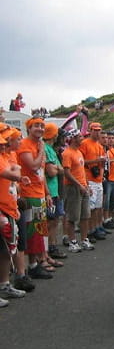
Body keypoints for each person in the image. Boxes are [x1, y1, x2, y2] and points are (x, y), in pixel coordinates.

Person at [16, 117, 54, 279]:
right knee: (31, 231)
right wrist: (40, 152)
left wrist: (46, 193)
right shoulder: (25, 145)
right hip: (28, 194)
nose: (40, 128)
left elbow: (42, 173)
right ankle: (30, 266)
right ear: (29, 129)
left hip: (39, 194)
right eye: (36, 126)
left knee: (39, 231)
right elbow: (33, 166)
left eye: (42, 126)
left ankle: (35, 263)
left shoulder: (39, 145)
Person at [0, 132, 28, 304]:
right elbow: (12, 174)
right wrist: (16, 173)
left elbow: (14, 171)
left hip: (9, 208)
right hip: (2, 209)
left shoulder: (6, 156)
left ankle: (4, 285)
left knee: (5, 250)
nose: (3, 146)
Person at [61, 129, 94, 252]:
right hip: (73, 187)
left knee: (85, 215)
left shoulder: (79, 152)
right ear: (73, 138)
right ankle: (72, 241)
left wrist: (87, 185)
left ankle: (84, 239)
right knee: (73, 216)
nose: (82, 138)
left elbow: (82, 171)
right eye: (80, 136)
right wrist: (78, 185)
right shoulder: (67, 153)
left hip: (83, 186)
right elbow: (67, 172)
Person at [79, 121, 108, 243]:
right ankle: (89, 230)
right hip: (89, 178)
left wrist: (101, 172)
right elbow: (81, 162)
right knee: (90, 208)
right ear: (90, 131)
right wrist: (95, 161)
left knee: (98, 206)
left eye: (99, 130)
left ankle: (96, 227)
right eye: (95, 130)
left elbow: (102, 163)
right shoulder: (85, 144)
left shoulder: (100, 146)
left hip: (98, 179)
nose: (97, 132)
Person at [43, 122, 67, 263]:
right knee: (49, 222)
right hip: (49, 191)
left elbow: (61, 168)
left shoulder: (51, 149)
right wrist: (57, 168)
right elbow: (52, 171)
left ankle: (52, 247)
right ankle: (48, 249)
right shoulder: (46, 149)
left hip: (54, 190)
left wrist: (57, 168)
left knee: (54, 221)